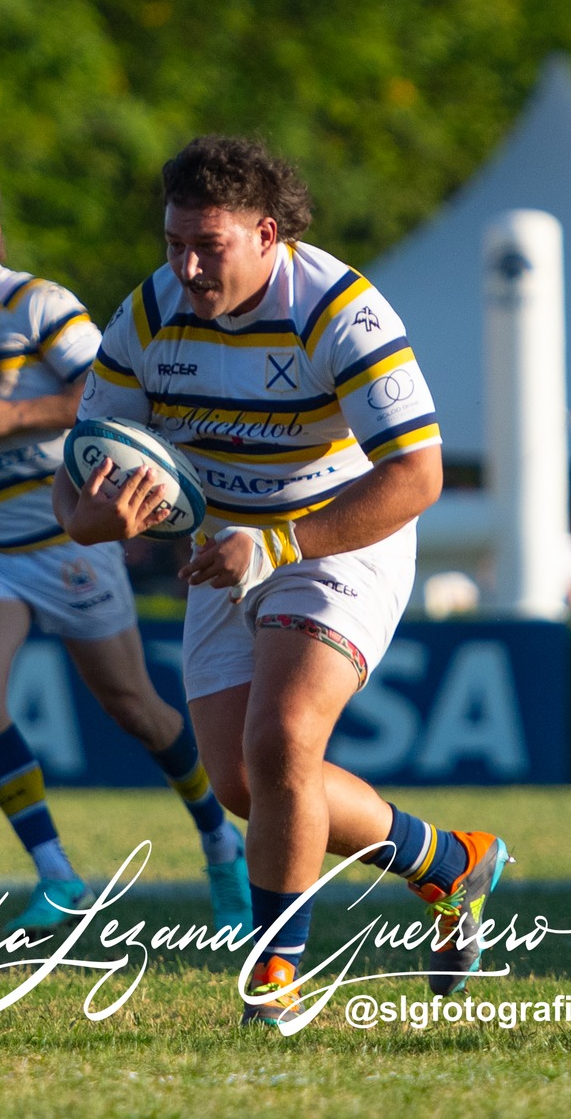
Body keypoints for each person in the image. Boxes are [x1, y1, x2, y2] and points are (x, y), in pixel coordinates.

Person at [59, 135, 507, 1029]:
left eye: (208, 246)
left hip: (339, 538)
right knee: (244, 782)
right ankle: (449, 861)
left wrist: (278, 544)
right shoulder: (148, 315)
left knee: (283, 739)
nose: (186, 266)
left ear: (267, 234)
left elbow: (418, 475)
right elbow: (73, 500)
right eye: (173, 243)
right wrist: (116, 515)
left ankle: (276, 977)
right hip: (224, 549)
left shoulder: (340, 308)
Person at [0, 160, 250, 933]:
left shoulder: (37, 304)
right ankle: (57, 871)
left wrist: (9, 417)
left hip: (67, 532)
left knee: (135, 709)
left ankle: (220, 838)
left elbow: (112, 400)